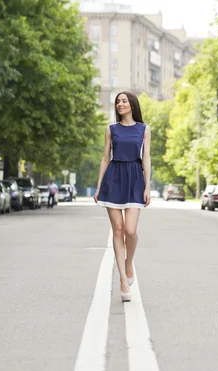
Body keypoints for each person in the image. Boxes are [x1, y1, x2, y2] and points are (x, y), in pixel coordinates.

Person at [94, 91, 151, 302]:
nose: (120, 104)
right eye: (118, 101)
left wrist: (147, 186)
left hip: (135, 178)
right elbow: (105, 157)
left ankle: (129, 264)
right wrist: (99, 186)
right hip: (114, 179)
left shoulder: (144, 129)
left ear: (132, 104)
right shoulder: (111, 129)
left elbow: (146, 158)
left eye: (124, 101)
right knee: (117, 229)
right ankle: (123, 280)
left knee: (130, 230)